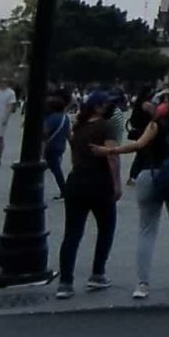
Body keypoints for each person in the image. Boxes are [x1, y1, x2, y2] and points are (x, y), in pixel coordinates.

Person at [98, 88, 169, 299]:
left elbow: (139, 145)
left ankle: (142, 284)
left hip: (151, 175)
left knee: (146, 230)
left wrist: (110, 151)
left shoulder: (156, 124)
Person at [56, 93, 123, 299]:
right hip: (99, 182)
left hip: (76, 181)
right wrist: (117, 184)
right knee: (106, 228)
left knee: (72, 233)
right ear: (97, 107)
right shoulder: (106, 126)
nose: (108, 107)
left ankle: (65, 283)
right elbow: (111, 156)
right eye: (105, 104)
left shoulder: (79, 126)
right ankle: (97, 273)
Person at [42, 92, 72, 200]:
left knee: (53, 168)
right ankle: (64, 190)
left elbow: (45, 132)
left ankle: (64, 190)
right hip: (60, 146)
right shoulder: (65, 118)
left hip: (50, 146)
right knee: (54, 168)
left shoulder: (52, 118)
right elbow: (69, 134)